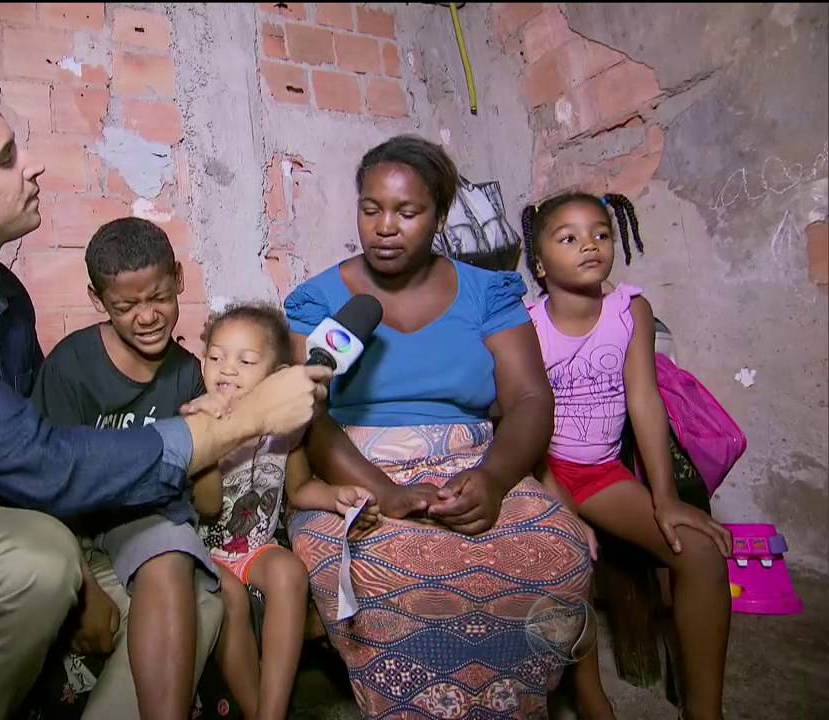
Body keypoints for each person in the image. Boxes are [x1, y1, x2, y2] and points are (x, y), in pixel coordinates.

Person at [0, 71, 330, 720]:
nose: (33, 167)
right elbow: (43, 462)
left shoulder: (6, 301)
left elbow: (18, 462)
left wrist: (76, 566)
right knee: (30, 565)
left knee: (202, 595)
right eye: (9, 158)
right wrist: (244, 420)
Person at [282, 134, 593, 718]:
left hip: (474, 464)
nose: (385, 227)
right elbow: (310, 415)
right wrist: (387, 493)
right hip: (353, 473)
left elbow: (528, 397)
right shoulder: (319, 299)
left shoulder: (487, 292)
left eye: (407, 211)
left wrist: (495, 479)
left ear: (439, 215)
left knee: (560, 552)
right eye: (371, 209)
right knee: (390, 574)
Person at [522, 192, 732, 720]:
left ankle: (704, 711)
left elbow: (645, 400)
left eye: (600, 233)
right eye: (568, 237)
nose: (589, 244)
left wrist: (664, 498)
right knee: (568, 557)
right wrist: (559, 505)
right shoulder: (525, 324)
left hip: (600, 473)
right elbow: (520, 422)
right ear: (541, 265)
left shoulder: (630, 309)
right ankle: (590, 696)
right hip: (541, 471)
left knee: (701, 554)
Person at [30, 216, 222, 720]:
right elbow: (45, 490)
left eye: (159, 297)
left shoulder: (186, 374)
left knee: (171, 552)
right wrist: (82, 587)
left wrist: (218, 432)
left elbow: (206, 502)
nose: (147, 316)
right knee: (206, 604)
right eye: (126, 306)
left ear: (179, 278)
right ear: (98, 302)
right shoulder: (70, 366)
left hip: (140, 522)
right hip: (71, 521)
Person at [192, 302, 378, 720]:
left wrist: (337, 496)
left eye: (245, 360)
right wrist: (208, 441)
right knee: (231, 597)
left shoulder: (287, 427)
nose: (226, 369)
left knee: (290, 572)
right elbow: (204, 508)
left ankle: (273, 711)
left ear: (277, 376)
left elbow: (299, 488)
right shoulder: (199, 419)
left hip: (254, 547)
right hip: (205, 553)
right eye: (216, 357)